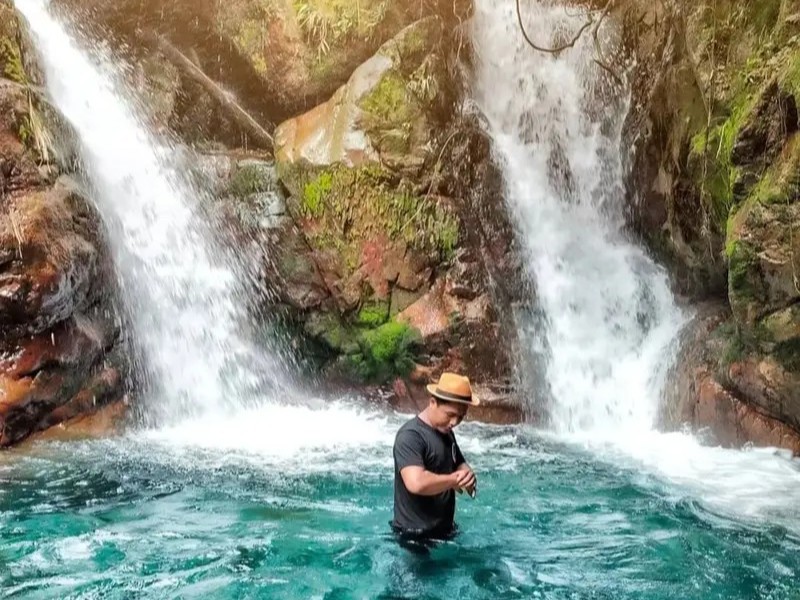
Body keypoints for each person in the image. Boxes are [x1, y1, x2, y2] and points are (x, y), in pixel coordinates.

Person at [391, 372, 479, 548]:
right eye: (450, 414)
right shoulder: (410, 436)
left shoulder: (446, 432)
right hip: (414, 535)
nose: (454, 422)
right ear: (433, 402)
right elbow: (416, 483)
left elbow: (459, 463)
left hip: (444, 531)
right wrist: (453, 480)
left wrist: (468, 476)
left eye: (461, 417)